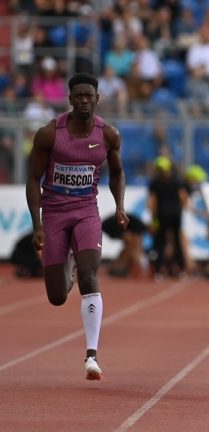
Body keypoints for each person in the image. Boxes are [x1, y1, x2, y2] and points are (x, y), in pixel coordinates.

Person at [25, 73, 128, 381]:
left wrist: (120, 206)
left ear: (97, 98)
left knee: (89, 273)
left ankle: (91, 356)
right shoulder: (49, 134)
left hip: (86, 211)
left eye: (89, 95)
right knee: (57, 297)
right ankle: (66, 266)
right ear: (70, 99)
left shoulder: (108, 135)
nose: (84, 100)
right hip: (55, 213)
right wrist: (37, 224)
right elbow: (33, 179)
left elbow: (118, 173)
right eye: (79, 95)